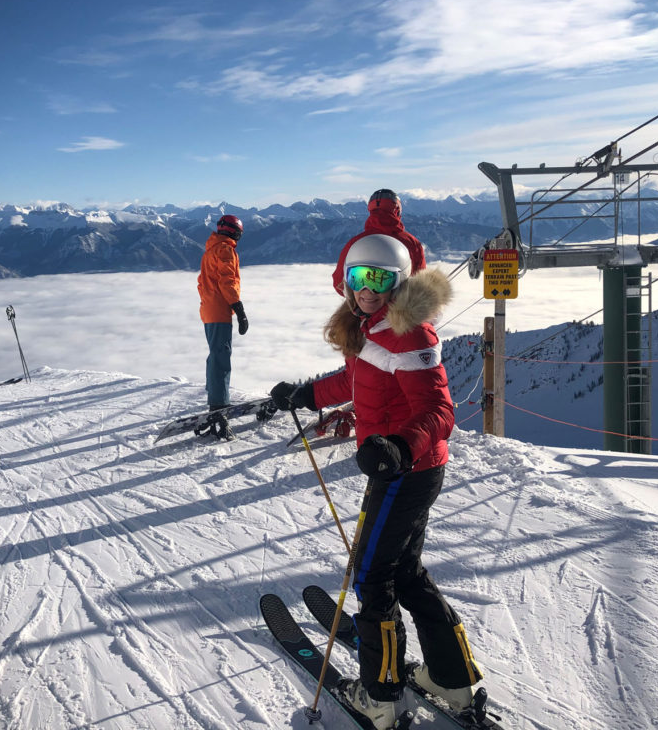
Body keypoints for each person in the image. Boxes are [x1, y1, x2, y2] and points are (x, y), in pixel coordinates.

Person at [270, 230, 483, 729]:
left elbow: (440, 411)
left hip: (405, 469)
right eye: (359, 277)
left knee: (371, 575)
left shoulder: (409, 334)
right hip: (404, 467)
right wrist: (305, 395)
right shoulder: (374, 327)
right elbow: (356, 379)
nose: (367, 288)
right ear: (346, 280)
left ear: (399, 282)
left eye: (380, 279)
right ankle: (450, 679)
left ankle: (380, 696)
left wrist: (398, 448)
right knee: (404, 572)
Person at [197, 214, 249, 439]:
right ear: (235, 231)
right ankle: (218, 405)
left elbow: (202, 282)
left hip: (208, 309)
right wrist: (239, 308)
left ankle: (215, 395)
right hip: (219, 310)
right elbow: (228, 281)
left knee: (215, 354)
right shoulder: (225, 250)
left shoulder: (210, 249)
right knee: (221, 357)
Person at [331, 188, 425, 296]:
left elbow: (339, 283)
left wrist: (361, 294)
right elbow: (420, 284)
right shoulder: (412, 243)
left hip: (364, 303)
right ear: (397, 211)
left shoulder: (355, 243)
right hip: (401, 305)